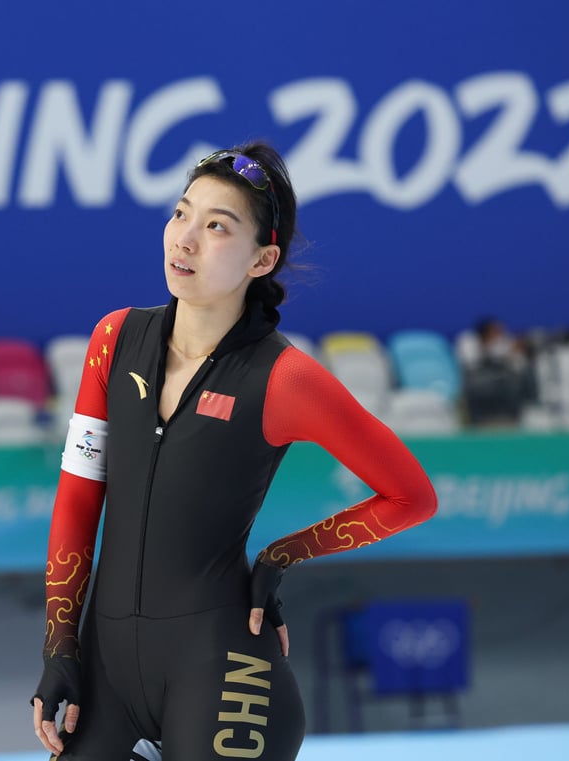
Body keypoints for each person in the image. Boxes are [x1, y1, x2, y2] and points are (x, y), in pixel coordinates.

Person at [30, 141, 438, 760]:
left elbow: (411, 497)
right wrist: (60, 645)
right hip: (107, 673)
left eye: (217, 226)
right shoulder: (113, 340)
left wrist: (281, 556)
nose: (185, 239)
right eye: (180, 214)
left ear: (262, 258)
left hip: (225, 673)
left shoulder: (286, 379)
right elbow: (80, 499)